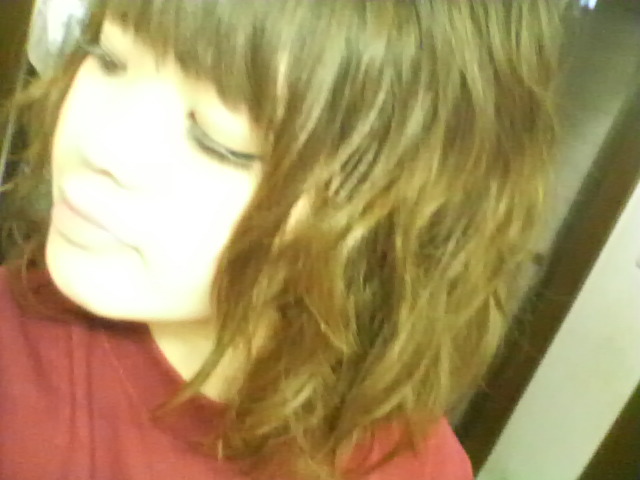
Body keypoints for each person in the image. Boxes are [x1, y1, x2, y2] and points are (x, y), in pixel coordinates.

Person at [0, 0, 572, 479]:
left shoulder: (415, 466)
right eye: (106, 56)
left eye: (219, 140)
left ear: (392, 205)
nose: (102, 145)